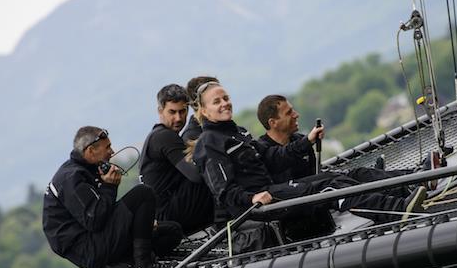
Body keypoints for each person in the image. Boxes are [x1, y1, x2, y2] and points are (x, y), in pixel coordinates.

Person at [192, 82, 427, 224]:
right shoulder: (209, 143)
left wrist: (306, 142)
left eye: (226, 98)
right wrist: (251, 198)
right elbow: (223, 191)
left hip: (272, 191)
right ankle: (396, 211)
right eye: (216, 101)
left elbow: (272, 159)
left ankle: (401, 198)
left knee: (333, 178)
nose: (224, 103)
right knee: (327, 189)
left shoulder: (238, 133)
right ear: (204, 110)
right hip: (257, 207)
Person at [43, 125, 170, 268]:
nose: (112, 151)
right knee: (143, 194)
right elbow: (95, 221)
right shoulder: (72, 178)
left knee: (171, 232)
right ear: (90, 151)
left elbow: (104, 214)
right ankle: (144, 267)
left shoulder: (89, 168)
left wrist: (139, 222)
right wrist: (109, 187)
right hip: (88, 249)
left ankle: (119, 264)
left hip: (96, 237)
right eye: (107, 147)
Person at [254, 94, 435, 198]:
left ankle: (415, 176)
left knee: (358, 174)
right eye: (289, 113)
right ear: (273, 122)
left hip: (316, 188)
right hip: (302, 201)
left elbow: (312, 174)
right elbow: (281, 156)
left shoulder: (298, 139)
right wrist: (307, 142)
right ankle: (409, 184)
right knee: (346, 181)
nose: (296, 115)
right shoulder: (265, 150)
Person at [139, 84, 214, 234]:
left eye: (182, 112)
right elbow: (196, 176)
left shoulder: (158, 136)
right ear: (160, 111)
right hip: (167, 214)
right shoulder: (164, 136)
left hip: (165, 212)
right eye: (172, 112)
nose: (178, 118)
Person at [180, 75, 219, 144]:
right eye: (216, 100)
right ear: (200, 104)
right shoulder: (192, 137)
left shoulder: (220, 127)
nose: (224, 103)